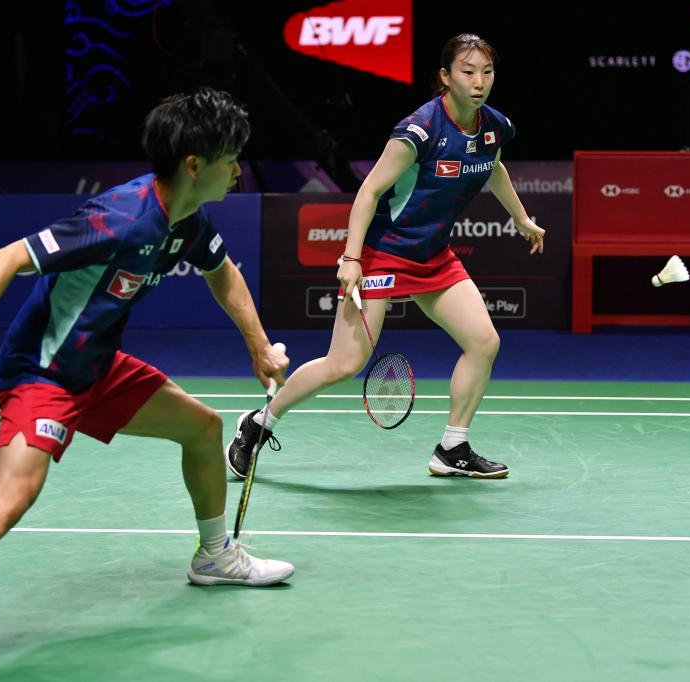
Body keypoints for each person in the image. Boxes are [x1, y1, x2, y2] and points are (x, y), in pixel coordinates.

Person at [0, 88, 294, 682]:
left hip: (98, 367)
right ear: (194, 165)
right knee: (12, 496)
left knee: (203, 429)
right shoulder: (119, 217)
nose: (238, 171)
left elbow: (223, 273)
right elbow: (4, 259)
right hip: (44, 373)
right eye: (231, 159)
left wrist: (257, 345)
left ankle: (214, 557)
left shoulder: (188, 219)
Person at [227, 34, 545, 481]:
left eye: (487, 72)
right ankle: (258, 425)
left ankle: (452, 447)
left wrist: (520, 217)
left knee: (484, 342)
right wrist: (351, 258)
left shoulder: (493, 126)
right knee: (344, 364)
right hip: (384, 253)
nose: (479, 82)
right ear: (445, 76)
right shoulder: (419, 131)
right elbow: (369, 191)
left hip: (434, 256)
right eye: (468, 72)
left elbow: (492, 165)